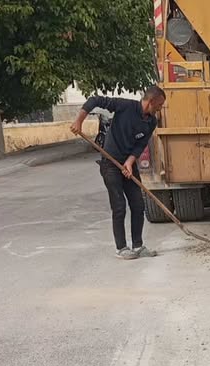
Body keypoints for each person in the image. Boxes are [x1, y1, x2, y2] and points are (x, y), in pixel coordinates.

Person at [70, 86, 166, 260]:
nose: (160, 109)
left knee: (138, 205)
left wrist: (129, 163)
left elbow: (140, 145)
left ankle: (138, 246)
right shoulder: (125, 106)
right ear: (150, 101)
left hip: (127, 165)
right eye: (159, 105)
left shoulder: (151, 122)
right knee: (119, 206)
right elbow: (95, 100)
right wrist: (79, 121)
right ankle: (121, 248)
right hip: (110, 164)